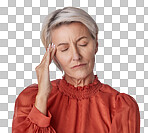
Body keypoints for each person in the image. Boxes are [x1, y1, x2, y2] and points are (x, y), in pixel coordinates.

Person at [12, 7, 140, 133]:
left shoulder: (121, 106)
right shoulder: (30, 100)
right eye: (64, 49)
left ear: (96, 44)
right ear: (52, 55)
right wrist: (42, 96)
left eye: (83, 44)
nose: (76, 56)